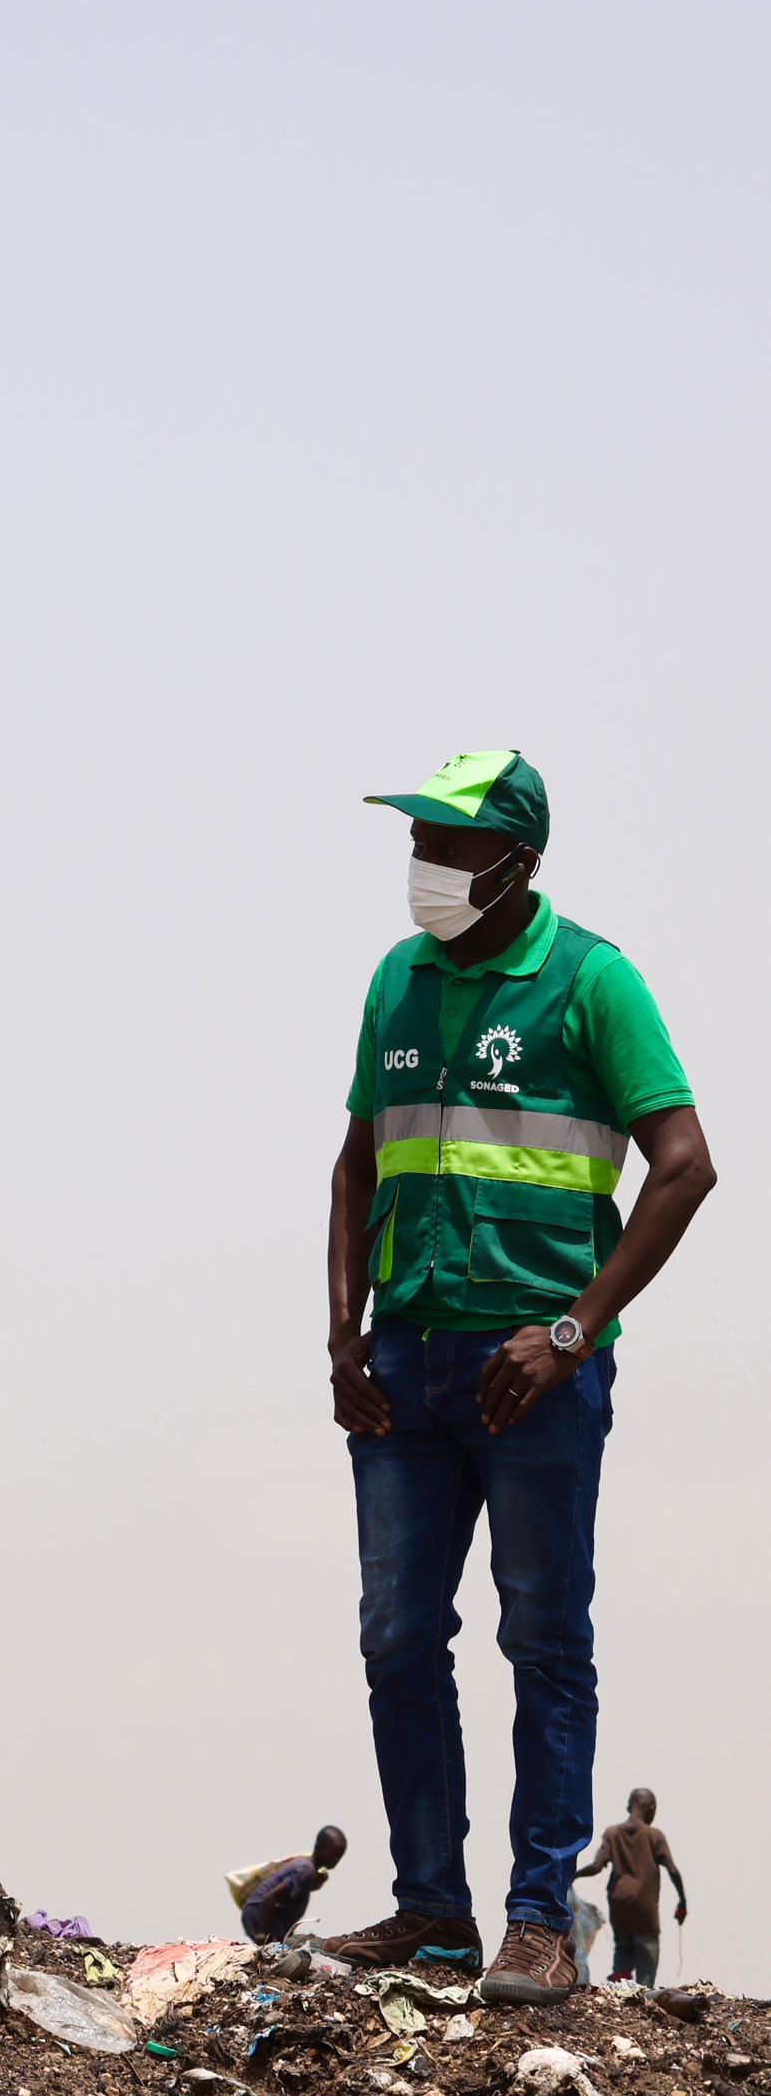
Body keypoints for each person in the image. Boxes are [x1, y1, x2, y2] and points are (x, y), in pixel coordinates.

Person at [319, 752, 715, 2005]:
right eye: (420, 842)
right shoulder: (398, 978)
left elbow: (687, 1163)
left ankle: (538, 1920)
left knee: (545, 1641)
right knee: (396, 1637)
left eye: (450, 846)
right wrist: (343, 1338)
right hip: (405, 1366)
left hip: (533, 1375)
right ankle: (431, 1909)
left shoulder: (591, 981)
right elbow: (353, 1167)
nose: (426, 868)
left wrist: (576, 1332)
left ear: (517, 863)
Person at [579, 1788, 687, 1987]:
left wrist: (573, 1876)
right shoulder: (654, 1836)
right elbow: (672, 1870)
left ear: (629, 1806)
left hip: (619, 1904)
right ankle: (644, 1994)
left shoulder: (612, 1833)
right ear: (651, 1809)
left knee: (622, 1947)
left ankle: (621, 1987)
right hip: (644, 1908)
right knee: (648, 1955)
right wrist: (682, 1900)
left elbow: (596, 1867)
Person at [229, 1827, 347, 1944]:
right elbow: (270, 1897)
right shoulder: (305, 1870)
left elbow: (293, 1895)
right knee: (280, 1952)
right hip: (261, 1918)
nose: (336, 1859)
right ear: (319, 1846)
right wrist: (262, 1935)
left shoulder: (307, 1868)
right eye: (334, 1854)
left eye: (339, 1855)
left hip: (268, 1920)